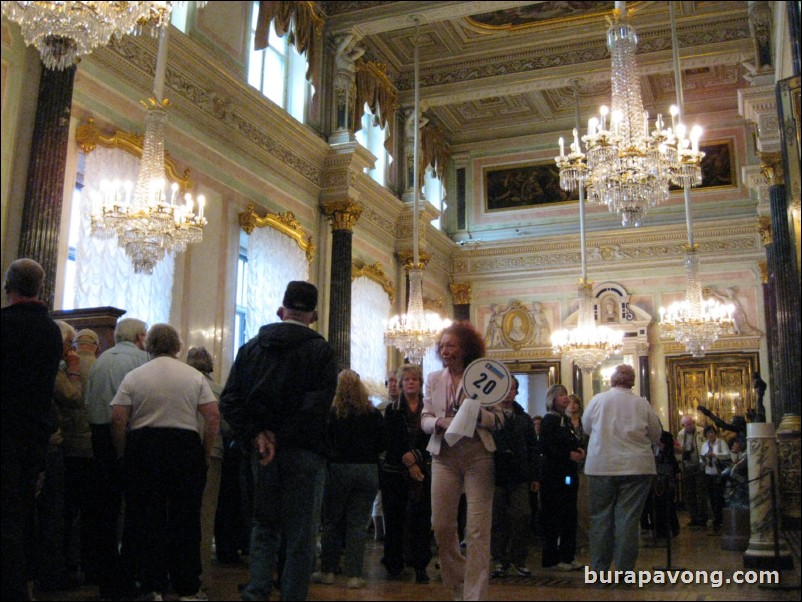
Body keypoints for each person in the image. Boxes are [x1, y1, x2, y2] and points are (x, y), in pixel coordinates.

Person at [221, 281, 337, 602]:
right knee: (301, 533)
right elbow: (315, 408)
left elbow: (230, 401)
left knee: (264, 525)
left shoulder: (251, 348)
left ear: (280, 310)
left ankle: (257, 591)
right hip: (304, 453)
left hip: (262, 453)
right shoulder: (321, 351)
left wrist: (259, 434)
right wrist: (281, 436)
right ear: (313, 316)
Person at [111, 324, 220, 601]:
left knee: (148, 517)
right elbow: (212, 417)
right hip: (185, 448)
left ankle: (150, 585)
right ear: (177, 347)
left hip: (144, 447)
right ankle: (187, 586)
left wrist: (124, 451)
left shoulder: (134, 376)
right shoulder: (194, 377)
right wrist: (205, 453)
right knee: (186, 518)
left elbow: (118, 418)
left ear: (148, 346)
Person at [421, 321, 500, 601]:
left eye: (451, 345)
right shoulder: (433, 379)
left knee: (478, 529)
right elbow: (425, 418)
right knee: (441, 526)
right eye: (441, 346)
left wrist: (480, 416)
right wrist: (438, 422)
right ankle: (457, 585)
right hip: (443, 456)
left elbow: (499, 418)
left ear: (465, 348)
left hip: (478, 456)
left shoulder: (483, 375)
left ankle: (474, 595)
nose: (445, 350)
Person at [1, 258, 63, 600]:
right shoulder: (52, 330)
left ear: (8, 285)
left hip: (5, 433)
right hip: (35, 437)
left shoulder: (5, 324)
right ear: (40, 288)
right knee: (22, 513)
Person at [84, 318, 148, 600]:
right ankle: (128, 574)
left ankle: (102, 571)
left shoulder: (101, 360)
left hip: (98, 436)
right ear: (138, 337)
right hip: (130, 437)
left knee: (104, 507)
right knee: (135, 507)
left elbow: (89, 401)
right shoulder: (143, 360)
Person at [584, 364, 662, 572]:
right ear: (633, 381)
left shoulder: (598, 400)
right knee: (628, 520)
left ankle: (600, 570)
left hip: (601, 465)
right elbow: (656, 434)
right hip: (636, 467)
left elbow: (585, 427)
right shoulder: (642, 404)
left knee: (601, 518)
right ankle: (625, 571)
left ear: (612, 380)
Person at [314, 370, 386, 589]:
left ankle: (328, 571)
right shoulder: (373, 413)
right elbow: (383, 443)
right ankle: (354, 575)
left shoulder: (332, 413)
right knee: (358, 524)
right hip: (367, 470)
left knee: (332, 522)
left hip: (338, 469)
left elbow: (323, 442)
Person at [380, 364, 433, 584]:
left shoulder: (428, 409)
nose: (411, 383)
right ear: (401, 384)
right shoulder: (392, 409)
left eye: (415, 380)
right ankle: (394, 563)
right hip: (396, 472)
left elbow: (431, 436)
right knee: (394, 518)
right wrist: (409, 462)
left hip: (423, 468)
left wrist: (417, 457)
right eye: (407, 380)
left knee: (421, 519)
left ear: (420, 384)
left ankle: (420, 565)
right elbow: (391, 440)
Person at [490, 376, 538, 578]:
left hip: (519, 476)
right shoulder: (489, 415)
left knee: (522, 516)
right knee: (497, 519)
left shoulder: (524, 418)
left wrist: (535, 476)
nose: (508, 392)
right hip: (495, 475)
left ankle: (519, 559)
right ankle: (499, 560)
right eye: (505, 388)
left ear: (516, 392)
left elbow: (533, 448)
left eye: (512, 389)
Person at [186, 346, 225, 593]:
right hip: (213, 455)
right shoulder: (220, 390)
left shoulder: (182, 385)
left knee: (180, 513)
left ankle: (177, 570)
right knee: (205, 516)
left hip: (184, 454)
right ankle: (201, 576)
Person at [539, 384, 584, 571]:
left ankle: (568, 555)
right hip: (554, 476)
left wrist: (578, 449)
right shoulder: (550, 420)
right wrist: (567, 455)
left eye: (566, 395)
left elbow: (569, 440)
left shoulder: (564, 420)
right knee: (554, 516)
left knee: (569, 514)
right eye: (561, 395)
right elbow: (547, 446)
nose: (566, 398)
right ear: (552, 399)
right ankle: (552, 558)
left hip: (568, 474)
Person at [567, 393, 590, 550]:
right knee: (569, 504)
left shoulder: (585, 424)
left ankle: (585, 539)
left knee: (583, 504)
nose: (573, 405)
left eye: (575, 403)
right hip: (567, 466)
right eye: (570, 403)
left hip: (584, 466)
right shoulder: (563, 423)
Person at [675, 415, 707, 529]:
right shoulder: (681, 434)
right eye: (686, 425)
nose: (689, 426)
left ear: (693, 423)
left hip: (699, 466)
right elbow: (678, 450)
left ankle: (702, 517)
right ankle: (693, 517)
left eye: (690, 424)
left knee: (700, 492)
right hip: (687, 467)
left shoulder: (701, 432)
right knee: (689, 493)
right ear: (683, 425)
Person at [700, 425, 730, 534]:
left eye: (712, 432)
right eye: (708, 433)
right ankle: (715, 520)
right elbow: (701, 458)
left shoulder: (721, 443)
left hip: (719, 474)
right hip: (709, 473)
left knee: (719, 497)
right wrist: (703, 460)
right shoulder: (704, 445)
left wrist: (715, 455)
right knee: (712, 498)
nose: (711, 435)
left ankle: (720, 520)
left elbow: (727, 455)